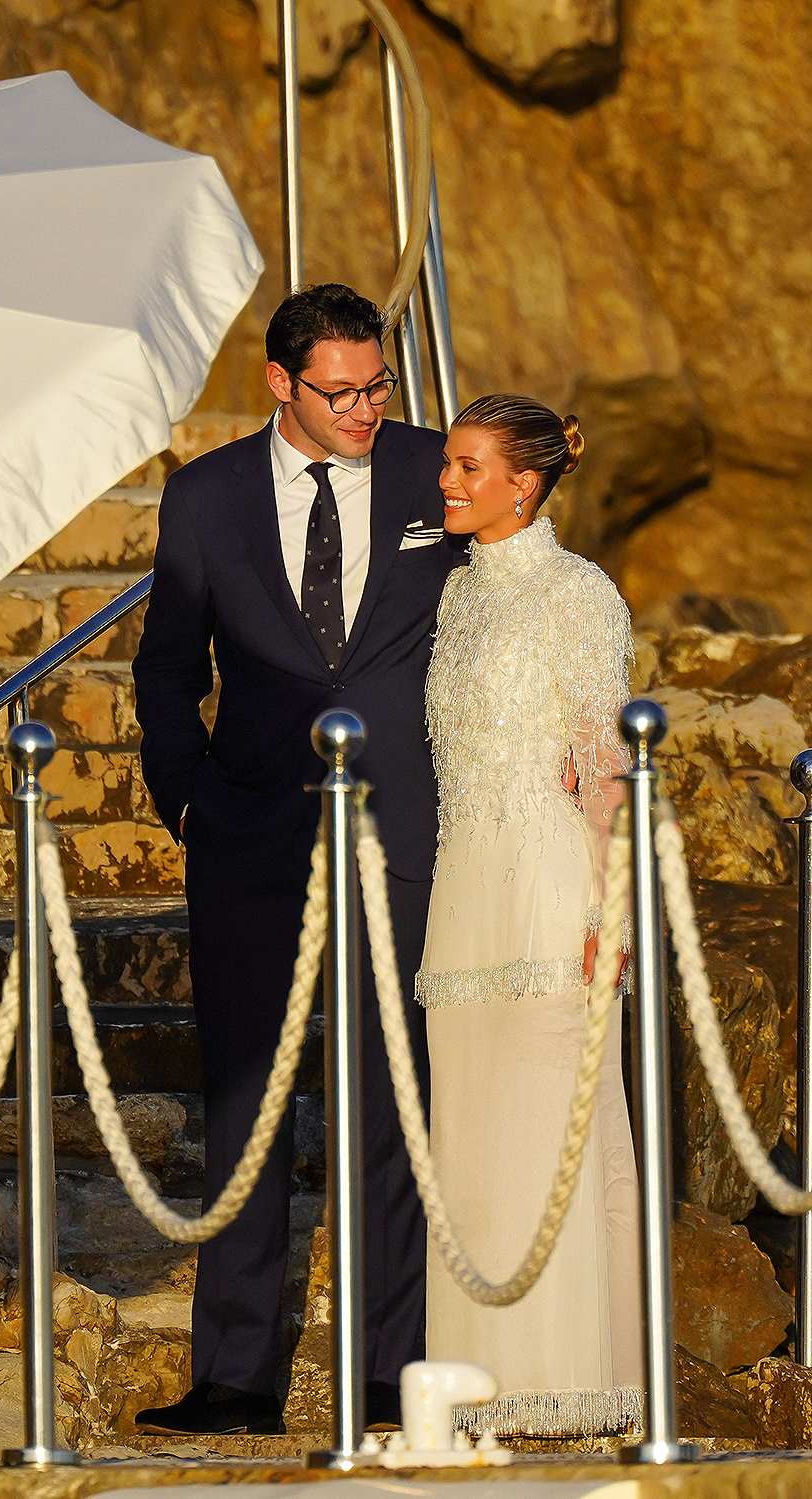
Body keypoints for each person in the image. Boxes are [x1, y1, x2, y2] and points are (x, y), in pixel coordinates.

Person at [132, 283, 461, 1436]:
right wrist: (188, 800)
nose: (368, 406)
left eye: (376, 384)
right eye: (341, 391)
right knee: (244, 1101)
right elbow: (168, 664)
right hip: (249, 835)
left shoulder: (436, 470)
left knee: (396, 1100)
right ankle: (233, 1377)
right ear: (280, 383)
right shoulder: (206, 494)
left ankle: (389, 1371)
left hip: (408, 834)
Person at [417, 394, 643, 1437]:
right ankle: (475, 1387)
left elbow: (605, 765)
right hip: (462, 886)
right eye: (450, 464)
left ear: (526, 482)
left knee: (550, 1132)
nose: (448, 480)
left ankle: (568, 1383)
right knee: (467, 1140)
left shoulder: (579, 593)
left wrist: (614, 905)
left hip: (553, 886)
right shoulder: (457, 596)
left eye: (469, 465)